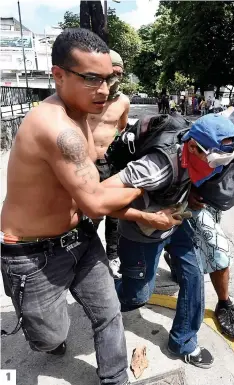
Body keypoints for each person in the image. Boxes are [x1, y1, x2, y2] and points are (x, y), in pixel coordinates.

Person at [0, 29, 178, 385]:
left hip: (79, 236)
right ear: (59, 75)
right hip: (31, 254)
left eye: (109, 78)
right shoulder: (55, 126)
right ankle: (43, 335)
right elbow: (96, 200)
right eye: (91, 79)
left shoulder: (82, 110)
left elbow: (92, 188)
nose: (103, 90)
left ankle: (115, 379)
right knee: (50, 337)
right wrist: (157, 175)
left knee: (109, 311)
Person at [103, 113, 234, 368]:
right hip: (142, 234)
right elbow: (95, 200)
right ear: (194, 147)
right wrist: (149, 218)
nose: (219, 167)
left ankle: (183, 341)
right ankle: (102, 298)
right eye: (216, 160)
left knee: (194, 274)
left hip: (176, 222)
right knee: (136, 296)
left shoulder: (200, 148)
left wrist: (194, 194)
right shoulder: (156, 167)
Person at [164, 108, 234, 340]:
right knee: (220, 255)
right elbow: (181, 166)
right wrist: (187, 195)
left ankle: (176, 258)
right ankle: (224, 305)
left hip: (217, 205)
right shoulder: (211, 143)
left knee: (196, 246)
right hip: (199, 206)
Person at [88, 50, 130, 278]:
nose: (115, 78)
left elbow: (122, 129)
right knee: (90, 213)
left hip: (111, 163)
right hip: (86, 164)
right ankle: (82, 255)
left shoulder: (123, 101)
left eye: (119, 73)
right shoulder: (88, 98)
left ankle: (113, 257)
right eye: (111, 73)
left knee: (115, 213)